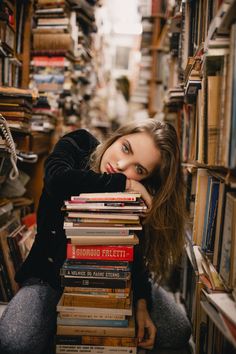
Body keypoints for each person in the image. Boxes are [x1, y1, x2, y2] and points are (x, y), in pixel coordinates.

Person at [0, 119, 191, 354]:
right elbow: (57, 180)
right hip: (49, 277)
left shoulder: (140, 193)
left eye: (138, 169)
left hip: (116, 280)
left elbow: (134, 249)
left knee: (178, 331)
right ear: (117, 137)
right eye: (125, 148)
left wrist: (141, 301)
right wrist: (126, 183)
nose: (121, 164)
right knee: (15, 342)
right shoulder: (79, 143)